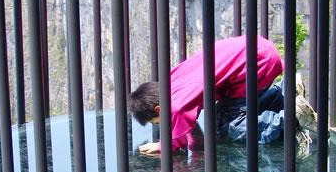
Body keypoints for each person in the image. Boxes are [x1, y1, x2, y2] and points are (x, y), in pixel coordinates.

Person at [129, 35, 308, 154]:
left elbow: (179, 116)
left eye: (157, 122)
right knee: (220, 118)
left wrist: (166, 146)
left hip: (256, 64)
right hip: (257, 50)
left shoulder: (176, 105)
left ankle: (292, 117)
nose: (163, 125)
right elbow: (185, 122)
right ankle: (285, 91)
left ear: (158, 109)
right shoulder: (172, 82)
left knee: (231, 128)